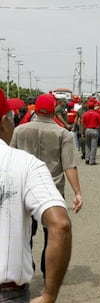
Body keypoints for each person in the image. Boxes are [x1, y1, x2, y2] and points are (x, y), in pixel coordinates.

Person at [0, 88, 72, 303]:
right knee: (32, 232)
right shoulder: (26, 161)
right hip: (43, 192)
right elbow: (60, 225)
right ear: (4, 122)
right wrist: (49, 295)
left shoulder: (21, 131)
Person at [10, 93, 83, 279]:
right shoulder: (62, 134)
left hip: (23, 189)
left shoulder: (20, 131)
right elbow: (68, 165)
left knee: (25, 232)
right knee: (52, 232)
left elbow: (10, 159)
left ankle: (27, 266)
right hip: (52, 191)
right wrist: (78, 193)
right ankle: (47, 270)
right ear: (53, 111)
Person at [82, 100, 100, 165]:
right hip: (94, 130)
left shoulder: (85, 114)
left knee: (87, 145)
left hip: (87, 130)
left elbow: (83, 125)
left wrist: (82, 133)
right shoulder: (97, 114)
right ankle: (92, 160)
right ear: (94, 107)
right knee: (93, 146)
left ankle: (87, 159)